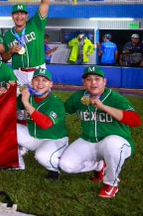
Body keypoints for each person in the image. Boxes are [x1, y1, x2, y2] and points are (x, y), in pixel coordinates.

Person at [60, 66, 141, 198]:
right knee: (66, 165)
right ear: (83, 82)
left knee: (111, 144)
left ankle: (111, 183)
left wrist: (103, 107)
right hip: (89, 140)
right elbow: (62, 112)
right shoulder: (78, 97)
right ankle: (99, 166)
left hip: (118, 142)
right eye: (89, 79)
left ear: (104, 81)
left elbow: (135, 120)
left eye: (97, 79)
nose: (93, 83)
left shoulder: (115, 98)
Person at [16, 68, 68, 180]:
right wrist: (8, 91)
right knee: (7, 129)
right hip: (33, 136)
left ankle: (55, 169)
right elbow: (12, 106)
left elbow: (45, 124)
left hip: (54, 139)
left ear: (50, 84)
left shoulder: (56, 103)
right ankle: (16, 163)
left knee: (42, 156)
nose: (40, 83)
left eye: (44, 80)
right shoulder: (28, 96)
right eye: (37, 80)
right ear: (31, 83)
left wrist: (26, 103)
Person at [2, 0, 51, 86]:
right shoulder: (8, 35)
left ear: (27, 16)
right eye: (16, 14)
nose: (19, 16)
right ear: (12, 16)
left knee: (38, 100)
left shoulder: (36, 24)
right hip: (18, 72)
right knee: (17, 101)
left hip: (38, 71)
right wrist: (10, 51)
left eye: (22, 13)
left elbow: (45, 3)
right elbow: (4, 58)